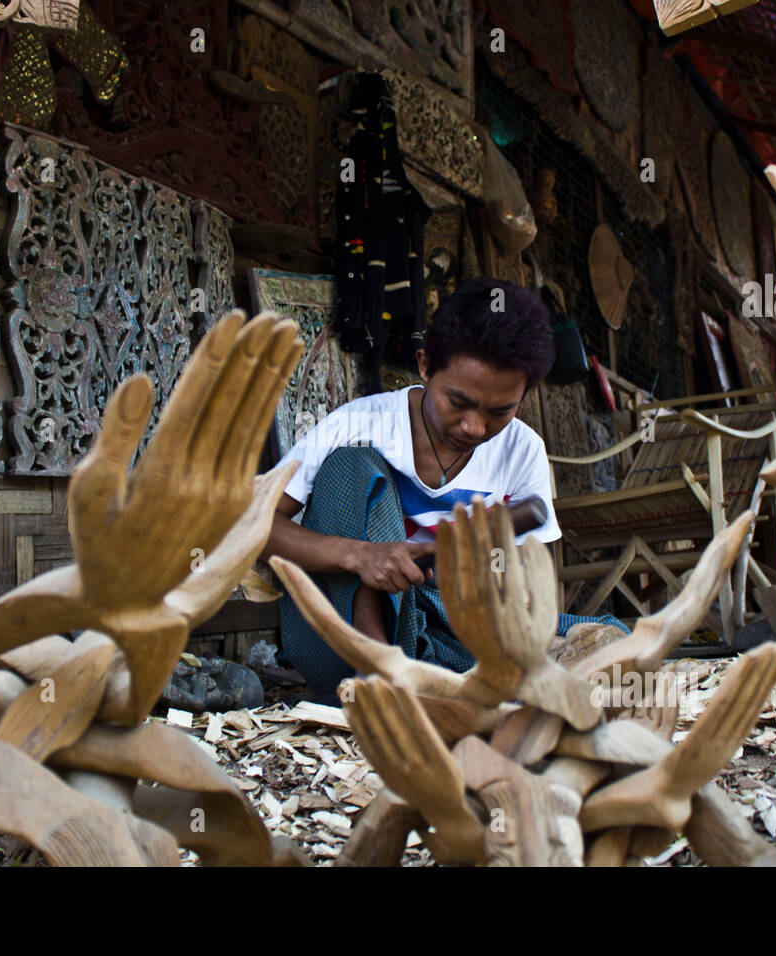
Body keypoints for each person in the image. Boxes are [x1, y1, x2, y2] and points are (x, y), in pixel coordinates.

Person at [261, 278, 626, 695]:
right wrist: (360, 555)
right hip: (344, 639)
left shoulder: (523, 450)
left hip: (455, 627)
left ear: (524, 396)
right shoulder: (356, 426)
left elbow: (531, 585)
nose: (474, 427)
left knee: (609, 641)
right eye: (459, 402)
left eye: (500, 411)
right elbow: (256, 526)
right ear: (424, 366)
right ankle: (384, 682)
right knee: (352, 463)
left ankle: (452, 682)